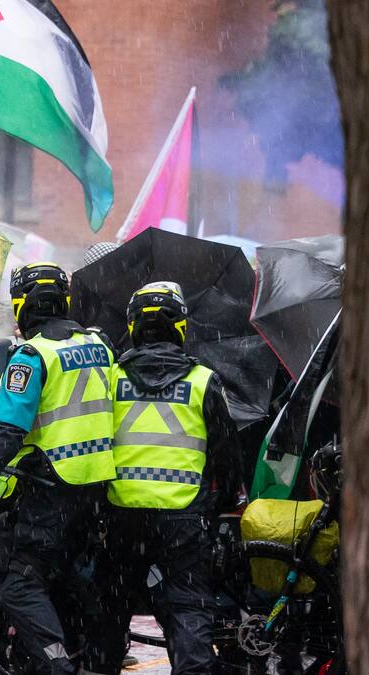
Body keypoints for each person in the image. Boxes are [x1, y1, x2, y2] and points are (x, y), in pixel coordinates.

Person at [0, 262, 116, 675]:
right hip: (95, 487)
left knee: (18, 581)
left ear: (24, 306)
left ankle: (55, 663)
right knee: (63, 574)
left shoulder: (32, 354)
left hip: (50, 487)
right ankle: (93, 653)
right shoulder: (100, 345)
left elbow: (7, 432)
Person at [91, 282, 243, 675]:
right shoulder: (204, 381)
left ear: (133, 326)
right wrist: (219, 504)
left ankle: (102, 665)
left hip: (122, 513)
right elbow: (227, 457)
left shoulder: (109, 378)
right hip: (183, 516)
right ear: (180, 327)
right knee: (188, 605)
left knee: (113, 605)